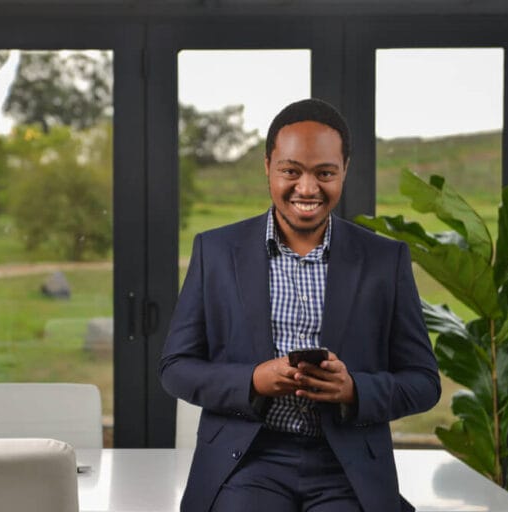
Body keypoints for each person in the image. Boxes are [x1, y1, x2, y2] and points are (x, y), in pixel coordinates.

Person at [159, 98, 441, 512]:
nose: (307, 189)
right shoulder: (216, 251)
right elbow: (175, 369)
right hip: (249, 462)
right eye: (291, 171)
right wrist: (253, 380)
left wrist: (354, 390)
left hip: (345, 467)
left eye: (324, 173)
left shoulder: (386, 260)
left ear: (344, 170)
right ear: (268, 167)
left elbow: (423, 382)